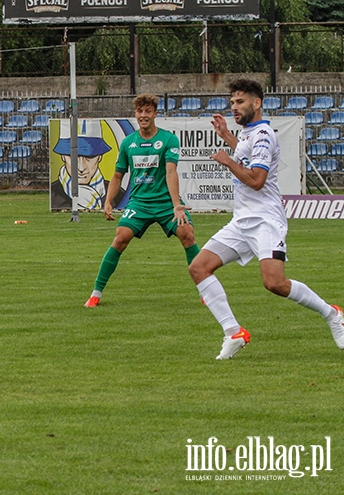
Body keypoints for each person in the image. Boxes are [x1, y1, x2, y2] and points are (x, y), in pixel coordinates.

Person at [188, 78, 344, 359]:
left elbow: (257, 180)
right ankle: (233, 332)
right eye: (232, 102)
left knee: (274, 283)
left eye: (240, 102)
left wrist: (228, 160)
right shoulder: (249, 134)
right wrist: (227, 136)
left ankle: (332, 313)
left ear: (256, 103)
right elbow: (246, 155)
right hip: (242, 221)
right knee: (199, 268)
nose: (234, 107)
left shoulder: (262, 134)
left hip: (265, 220)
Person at [85, 93, 200, 307]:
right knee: (120, 238)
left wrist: (176, 205)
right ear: (135, 114)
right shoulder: (129, 143)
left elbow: (171, 173)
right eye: (140, 111)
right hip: (139, 203)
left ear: (156, 114)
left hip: (166, 202)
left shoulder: (168, 139)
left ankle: (205, 291)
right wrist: (108, 202)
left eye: (148, 111)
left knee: (187, 234)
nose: (144, 115)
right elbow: (118, 175)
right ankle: (96, 293)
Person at [50, 119, 125, 210]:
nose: (81, 167)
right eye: (73, 157)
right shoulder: (53, 194)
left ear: (99, 157)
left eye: (90, 157)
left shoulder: (119, 195)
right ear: (63, 157)